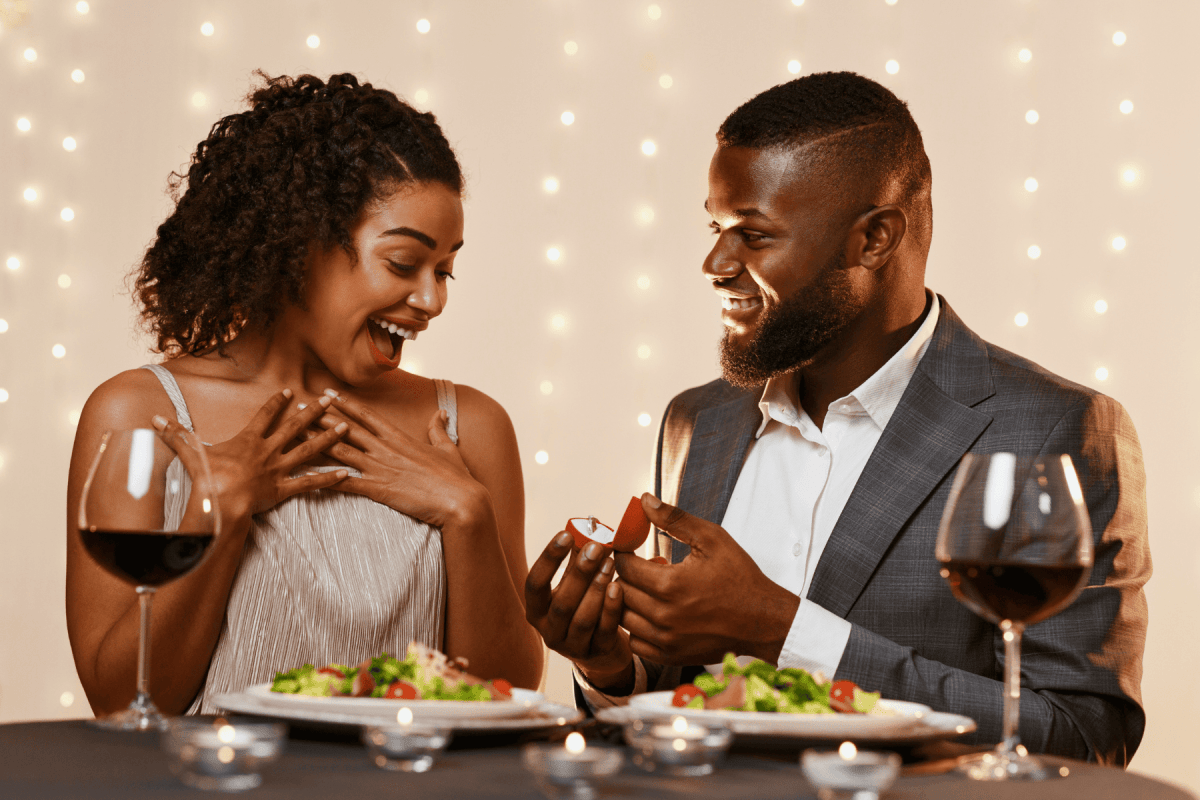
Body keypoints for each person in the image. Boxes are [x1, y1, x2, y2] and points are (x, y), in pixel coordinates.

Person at [526, 72, 1149, 765]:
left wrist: (782, 631)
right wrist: (614, 671)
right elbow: (682, 693)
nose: (714, 262)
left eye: (753, 235)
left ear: (875, 238)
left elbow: (1085, 737)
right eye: (715, 226)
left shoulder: (1055, 428)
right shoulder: (695, 422)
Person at [66, 73, 543, 715]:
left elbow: (503, 696)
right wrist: (220, 507)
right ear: (299, 243)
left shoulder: (469, 426)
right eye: (404, 263)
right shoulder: (140, 414)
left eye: (445, 270)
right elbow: (121, 701)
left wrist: (464, 512)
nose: (432, 300)